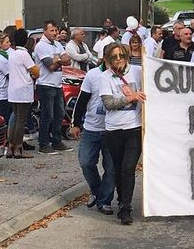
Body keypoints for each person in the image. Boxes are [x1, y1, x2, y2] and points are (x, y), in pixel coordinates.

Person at [99, 43, 145, 225]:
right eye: (114, 57)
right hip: (113, 130)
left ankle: (126, 207)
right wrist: (130, 97)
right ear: (108, 60)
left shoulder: (138, 71)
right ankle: (121, 201)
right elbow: (108, 103)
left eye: (121, 56)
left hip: (134, 128)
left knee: (128, 168)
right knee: (117, 169)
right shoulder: (105, 77)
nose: (118, 59)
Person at [71, 43, 115, 215]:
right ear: (104, 57)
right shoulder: (93, 75)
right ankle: (97, 192)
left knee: (111, 168)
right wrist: (75, 124)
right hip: (92, 127)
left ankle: (105, 201)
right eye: (112, 56)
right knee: (86, 162)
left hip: (113, 129)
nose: (116, 60)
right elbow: (82, 100)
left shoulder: (123, 75)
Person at [34, 20, 73, 154]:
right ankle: (43, 144)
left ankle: (56, 141)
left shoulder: (57, 44)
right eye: (52, 30)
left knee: (60, 113)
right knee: (48, 115)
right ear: (44, 31)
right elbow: (50, 66)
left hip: (57, 84)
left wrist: (58, 61)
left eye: (56, 30)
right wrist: (59, 61)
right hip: (45, 84)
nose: (55, 33)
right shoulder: (41, 46)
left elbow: (68, 59)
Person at [6, 29, 40, 159]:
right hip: (23, 90)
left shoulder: (12, 54)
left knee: (14, 119)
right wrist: (35, 74)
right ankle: (18, 147)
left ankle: (10, 146)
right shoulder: (24, 54)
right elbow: (35, 70)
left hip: (13, 90)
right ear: (26, 40)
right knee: (21, 119)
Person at [0, 33, 12, 127]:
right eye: (7, 42)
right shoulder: (1, 59)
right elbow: (10, 75)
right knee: (5, 120)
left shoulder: (4, 55)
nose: (9, 44)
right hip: (3, 94)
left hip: (4, 93)